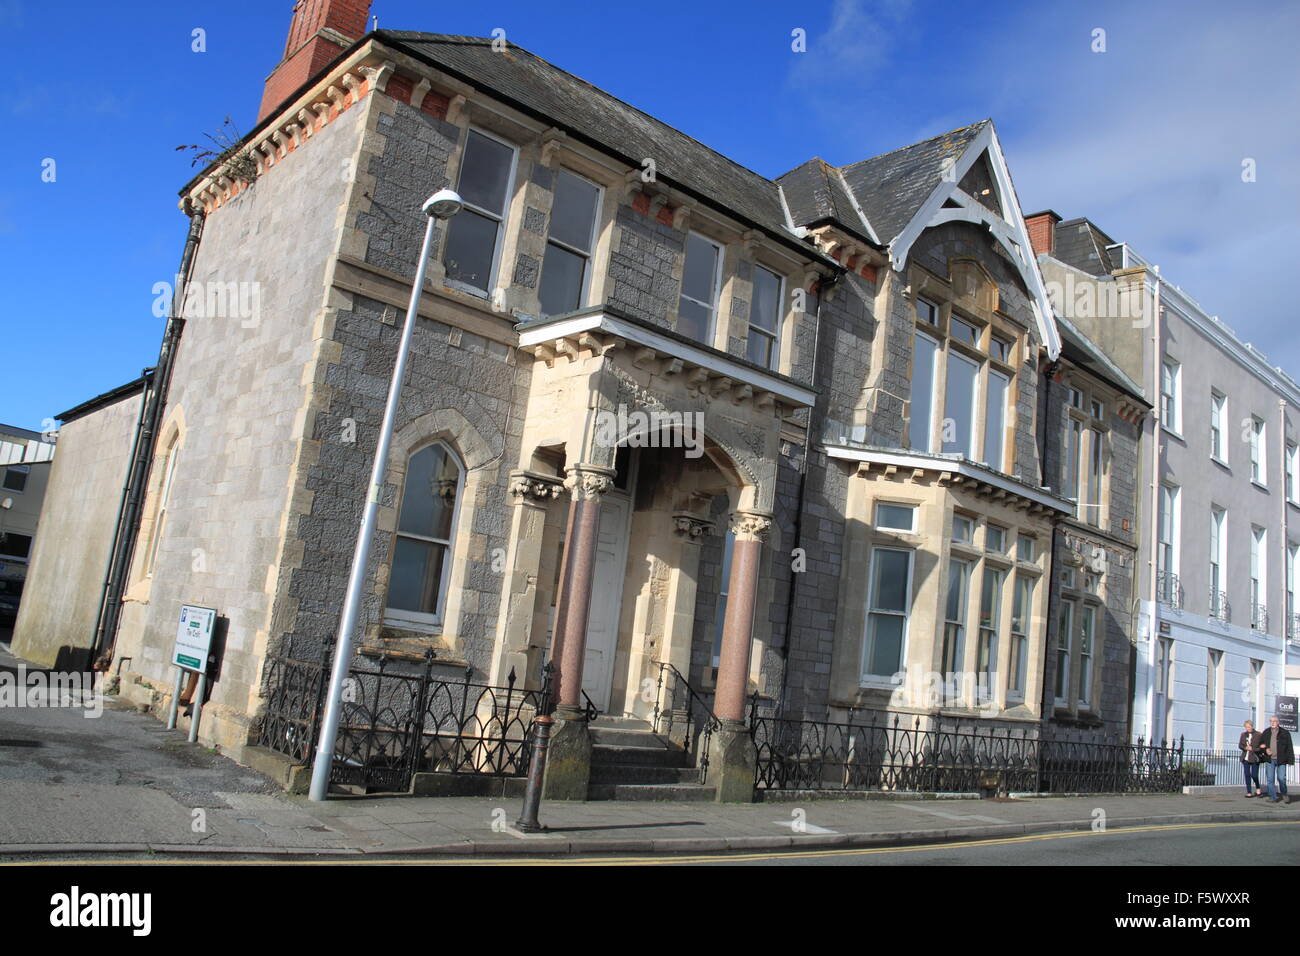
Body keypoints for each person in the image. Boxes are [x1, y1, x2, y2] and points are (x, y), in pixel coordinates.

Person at [1254, 715, 1294, 804]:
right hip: (1270, 760)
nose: (1272, 722)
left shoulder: (1285, 732)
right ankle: (1273, 797)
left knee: (1281, 778)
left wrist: (1291, 760)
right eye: (1271, 721)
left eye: (1274, 721)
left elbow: (1289, 747)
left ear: (1278, 722)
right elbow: (1261, 745)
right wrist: (1265, 749)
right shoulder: (1266, 732)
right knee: (1270, 779)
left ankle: (1284, 793)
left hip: (1281, 760)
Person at [1239, 720, 1264, 797]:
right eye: (1246, 727)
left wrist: (1252, 748)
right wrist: (1245, 747)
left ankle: (1258, 788)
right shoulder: (1243, 735)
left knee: (1254, 775)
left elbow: (1261, 747)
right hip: (1245, 758)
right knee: (1247, 774)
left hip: (1254, 758)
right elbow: (1240, 745)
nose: (1248, 728)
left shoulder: (1258, 734)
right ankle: (1249, 792)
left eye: (1249, 727)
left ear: (1252, 726)